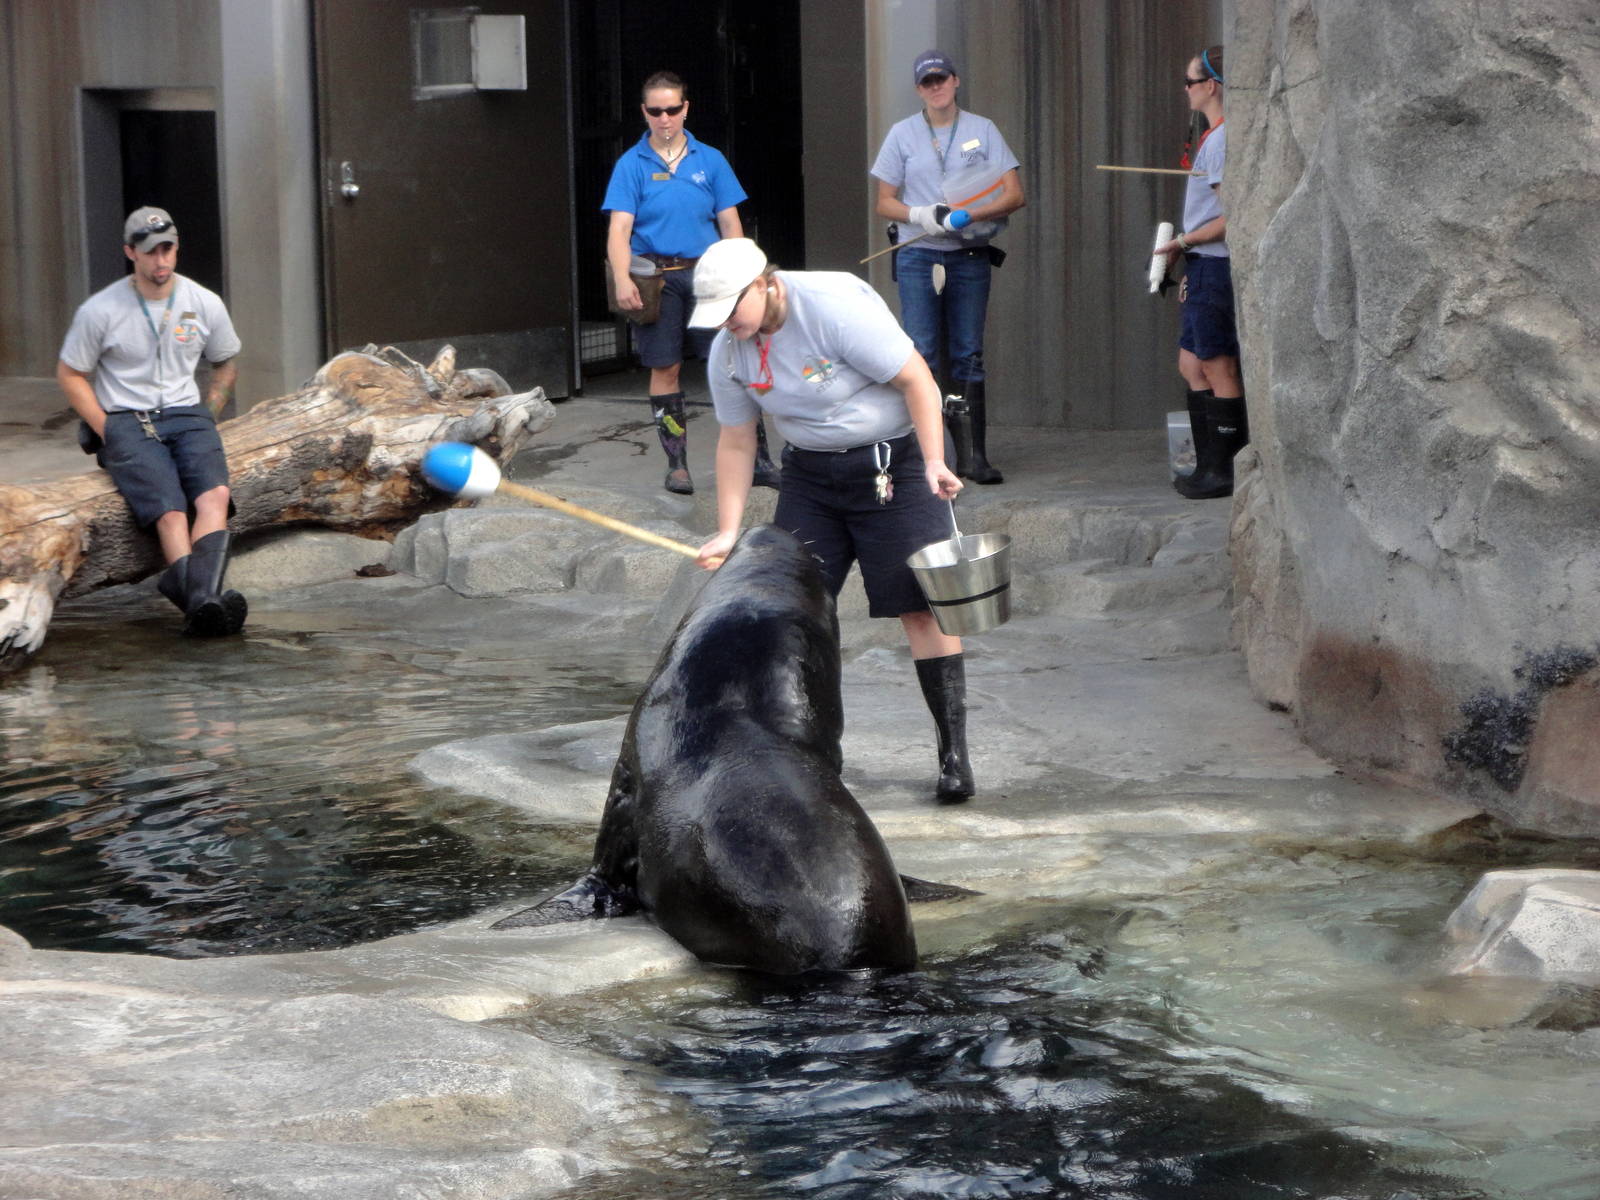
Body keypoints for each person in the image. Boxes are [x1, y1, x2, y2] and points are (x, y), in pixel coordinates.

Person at [688, 238, 978, 805]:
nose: (727, 325)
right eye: (716, 316)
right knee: (795, 612)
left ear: (763, 284)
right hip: (811, 478)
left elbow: (917, 380)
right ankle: (817, 758)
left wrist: (936, 460)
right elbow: (737, 438)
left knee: (920, 605)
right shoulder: (729, 350)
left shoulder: (832, 306)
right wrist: (728, 529)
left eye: (732, 309)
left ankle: (953, 753)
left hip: (893, 463)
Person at [56, 206, 247, 637]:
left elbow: (226, 363)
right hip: (127, 418)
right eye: (150, 252)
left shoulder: (203, 302)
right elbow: (70, 375)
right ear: (130, 253)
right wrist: (106, 428)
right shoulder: (100, 310)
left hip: (186, 413)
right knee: (171, 511)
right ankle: (205, 602)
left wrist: (209, 414)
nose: (161, 260)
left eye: (168, 249)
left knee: (215, 495)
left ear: (177, 248)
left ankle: (200, 604)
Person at [602, 70, 778, 496]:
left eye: (673, 109)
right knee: (666, 367)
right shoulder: (631, 164)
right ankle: (676, 464)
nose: (665, 118)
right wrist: (622, 277)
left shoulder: (710, 159)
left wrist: (746, 274)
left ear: (686, 108)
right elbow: (619, 230)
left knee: (734, 360)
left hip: (708, 275)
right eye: (656, 111)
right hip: (656, 278)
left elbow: (730, 220)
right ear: (644, 112)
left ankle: (760, 460)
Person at [871, 49, 1025, 485]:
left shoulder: (983, 129)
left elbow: (1015, 194)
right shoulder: (902, 134)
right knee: (920, 349)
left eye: (941, 78)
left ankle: (974, 455)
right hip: (920, 251)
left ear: (956, 81)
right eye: (927, 82)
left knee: (968, 351)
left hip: (969, 251)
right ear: (919, 89)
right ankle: (926, 455)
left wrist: (970, 216)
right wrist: (921, 214)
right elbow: (884, 201)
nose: (935, 86)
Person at [1155, 45, 1247, 500]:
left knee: (1216, 362)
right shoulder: (1211, 137)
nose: (1186, 90)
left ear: (1210, 85)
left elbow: (1234, 214)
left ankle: (1227, 470)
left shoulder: (1225, 139)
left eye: (1191, 82)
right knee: (1191, 362)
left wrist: (1185, 241)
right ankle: (1208, 463)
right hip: (1199, 261)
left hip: (1216, 261)